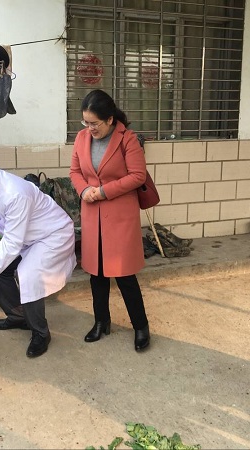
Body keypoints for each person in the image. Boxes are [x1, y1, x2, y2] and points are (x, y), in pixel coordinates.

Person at [0, 154, 76, 358]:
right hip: (26, 238)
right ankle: (18, 316)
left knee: (29, 274)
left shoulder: (16, 193)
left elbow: (11, 243)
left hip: (52, 235)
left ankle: (40, 333)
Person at [69, 89, 150, 352]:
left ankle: (141, 326)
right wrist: (83, 190)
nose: (89, 128)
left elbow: (138, 175)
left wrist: (104, 191)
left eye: (95, 123)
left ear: (110, 119)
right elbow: (75, 171)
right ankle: (101, 321)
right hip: (92, 215)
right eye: (86, 122)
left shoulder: (128, 139)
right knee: (97, 274)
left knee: (124, 275)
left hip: (119, 216)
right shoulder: (81, 138)